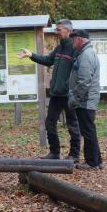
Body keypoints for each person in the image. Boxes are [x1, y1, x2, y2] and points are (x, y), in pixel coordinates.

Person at [17, 19, 81, 161]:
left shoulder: (75, 49)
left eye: (58, 30)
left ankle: (74, 155)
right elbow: (47, 60)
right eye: (55, 29)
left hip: (69, 94)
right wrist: (31, 55)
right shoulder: (59, 49)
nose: (56, 32)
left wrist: (73, 89)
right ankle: (54, 153)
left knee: (73, 125)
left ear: (68, 31)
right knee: (50, 122)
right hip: (56, 94)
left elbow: (80, 72)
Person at [68, 29, 102, 170]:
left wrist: (75, 99)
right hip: (86, 99)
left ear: (80, 40)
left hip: (85, 100)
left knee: (87, 131)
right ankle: (97, 161)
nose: (72, 42)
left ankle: (92, 163)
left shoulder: (86, 55)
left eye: (74, 39)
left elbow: (84, 81)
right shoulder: (85, 53)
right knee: (89, 130)